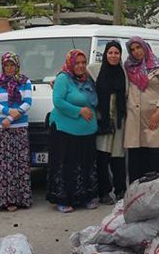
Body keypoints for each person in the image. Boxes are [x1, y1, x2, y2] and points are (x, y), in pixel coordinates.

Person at [48, 49, 99, 213]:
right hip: (66, 130)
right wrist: (79, 111)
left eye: (83, 62)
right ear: (70, 63)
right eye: (77, 63)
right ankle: (64, 200)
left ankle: (86, 198)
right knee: (67, 166)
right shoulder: (63, 78)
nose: (81, 66)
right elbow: (58, 101)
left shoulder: (89, 78)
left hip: (87, 131)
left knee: (86, 165)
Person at [0, 52, 33, 212]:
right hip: (1, 130)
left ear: (17, 65)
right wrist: (8, 112)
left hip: (18, 129)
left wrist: (11, 119)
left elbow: (27, 102)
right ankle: (1, 201)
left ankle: (18, 200)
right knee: (2, 166)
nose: (9, 68)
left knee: (18, 165)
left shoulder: (25, 81)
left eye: (12, 65)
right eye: (6, 65)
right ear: (2, 66)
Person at [124, 36, 159, 181]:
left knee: (155, 158)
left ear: (145, 47)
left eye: (138, 47)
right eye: (132, 49)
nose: (136, 51)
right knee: (136, 159)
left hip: (154, 118)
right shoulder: (127, 67)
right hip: (134, 119)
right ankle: (135, 195)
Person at [93, 41, 128, 205]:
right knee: (102, 156)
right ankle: (104, 192)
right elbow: (74, 75)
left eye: (116, 53)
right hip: (102, 120)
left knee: (118, 157)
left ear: (120, 55)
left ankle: (120, 190)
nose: (113, 56)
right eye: (110, 53)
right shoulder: (94, 70)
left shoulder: (124, 74)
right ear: (105, 54)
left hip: (119, 121)